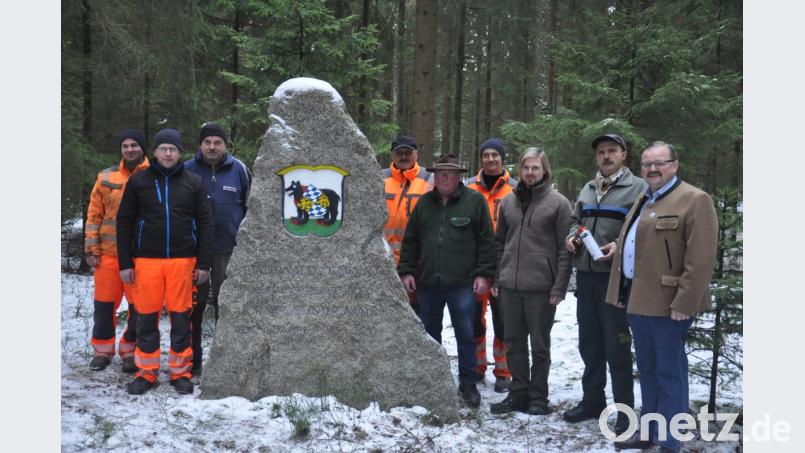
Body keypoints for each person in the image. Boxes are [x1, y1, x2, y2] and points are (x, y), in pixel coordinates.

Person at [605, 141, 718, 452]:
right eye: (646, 164)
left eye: (659, 163)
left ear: (675, 165)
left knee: (669, 372)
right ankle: (649, 431)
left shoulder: (695, 200)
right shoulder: (645, 198)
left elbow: (701, 259)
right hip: (639, 300)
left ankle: (670, 441)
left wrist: (685, 301)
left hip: (670, 305)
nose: (652, 169)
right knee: (649, 371)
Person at [117, 128, 214, 395]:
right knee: (145, 318)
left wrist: (204, 264)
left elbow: (206, 223)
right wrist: (125, 263)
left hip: (183, 262)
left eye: (173, 149)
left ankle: (180, 372)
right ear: (155, 152)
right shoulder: (139, 182)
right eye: (163, 148)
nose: (168, 153)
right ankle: (145, 372)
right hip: (146, 261)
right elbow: (124, 221)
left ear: (180, 152)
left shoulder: (194, 182)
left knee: (181, 318)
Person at [562, 134, 647, 433]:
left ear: (624, 155)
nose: (606, 156)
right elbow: (576, 220)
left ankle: (624, 410)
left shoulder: (639, 188)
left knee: (617, 346)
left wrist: (617, 245)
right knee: (590, 343)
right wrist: (572, 237)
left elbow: (641, 229)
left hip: (616, 279)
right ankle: (592, 401)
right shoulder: (588, 188)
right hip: (586, 277)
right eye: (601, 152)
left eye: (612, 151)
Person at [398, 154, 497, 408]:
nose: (444, 177)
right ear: (434, 175)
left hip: (463, 284)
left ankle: (468, 383)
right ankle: (434, 381)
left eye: (450, 173)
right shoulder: (424, 205)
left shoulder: (474, 202)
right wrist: (407, 271)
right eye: (440, 172)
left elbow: (487, 242)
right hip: (428, 282)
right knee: (430, 335)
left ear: (459, 176)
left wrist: (484, 274)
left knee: (466, 334)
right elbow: (411, 241)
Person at [489, 147, 572, 416]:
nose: (530, 172)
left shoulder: (558, 203)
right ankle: (518, 393)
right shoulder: (509, 202)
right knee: (513, 342)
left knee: (539, 345)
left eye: (535, 168)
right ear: (520, 170)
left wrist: (559, 286)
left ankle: (538, 397)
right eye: (526, 168)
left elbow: (564, 249)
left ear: (544, 170)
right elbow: (500, 243)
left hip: (540, 288)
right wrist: (498, 278)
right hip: (510, 286)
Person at [184, 123, 252, 377]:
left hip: (229, 250)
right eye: (207, 142)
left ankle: (227, 364)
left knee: (229, 306)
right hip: (193, 252)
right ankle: (193, 360)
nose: (212, 147)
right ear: (200, 145)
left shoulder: (241, 171)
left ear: (226, 145)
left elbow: (251, 209)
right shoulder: (187, 170)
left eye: (217, 142)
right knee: (194, 307)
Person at [84, 129, 150, 373]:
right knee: (104, 307)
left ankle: (130, 350)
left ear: (143, 148)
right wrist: (91, 248)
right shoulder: (106, 176)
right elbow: (94, 215)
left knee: (139, 308)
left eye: (134, 145)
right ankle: (102, 350)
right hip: (108, 256)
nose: (130, 149)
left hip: (141, 257)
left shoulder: (154, 175)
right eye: (125, 145)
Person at [465, 138, 515, 393]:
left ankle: (504, 372)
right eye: (486, 155)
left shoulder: (515, 189)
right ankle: (476, 368)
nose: (491, 159)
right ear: (481, 158)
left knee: (503, 320)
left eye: (495, 155)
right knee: (474, 320)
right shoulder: (468, 187)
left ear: (502, 158)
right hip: (473, 263)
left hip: (505, 263)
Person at [381, 134, 431, 314]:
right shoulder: (379, 178)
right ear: (392, 155)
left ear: (416, 154)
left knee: (418, 314)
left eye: (407, 152)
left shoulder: (429, 179)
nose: (403, 157)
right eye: (398, 153)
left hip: (418, 262)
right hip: (383, 260)